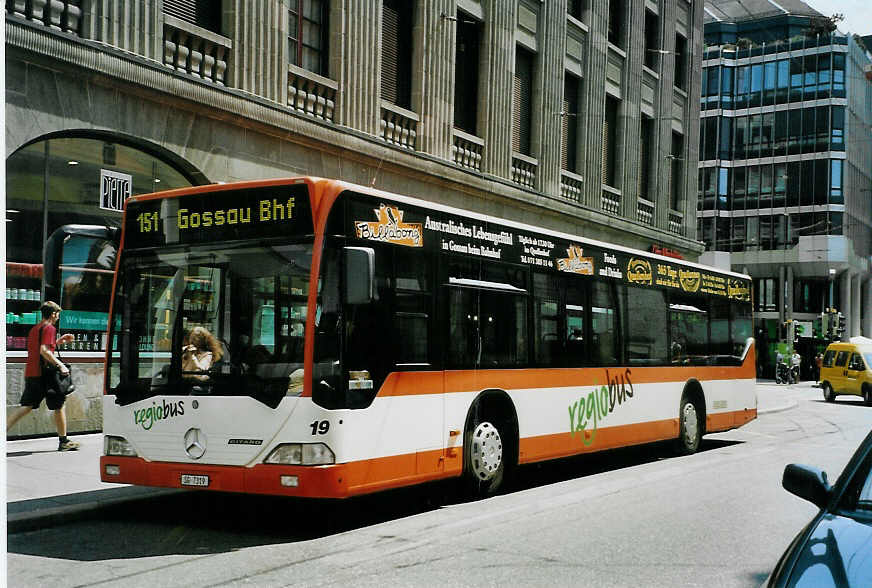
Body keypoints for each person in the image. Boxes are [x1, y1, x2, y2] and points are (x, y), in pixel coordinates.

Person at [6, 301, 79, 451]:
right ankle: (64, 441)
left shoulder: (36, 328)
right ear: (53, 314)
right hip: (45, 375)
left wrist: (59, 341)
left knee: (26, 406)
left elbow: (41, 347)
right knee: (59, 405)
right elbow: (44, 351)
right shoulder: (49, 328)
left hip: (32, 373)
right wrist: (61, 365)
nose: (58, 317)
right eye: (58, 314)